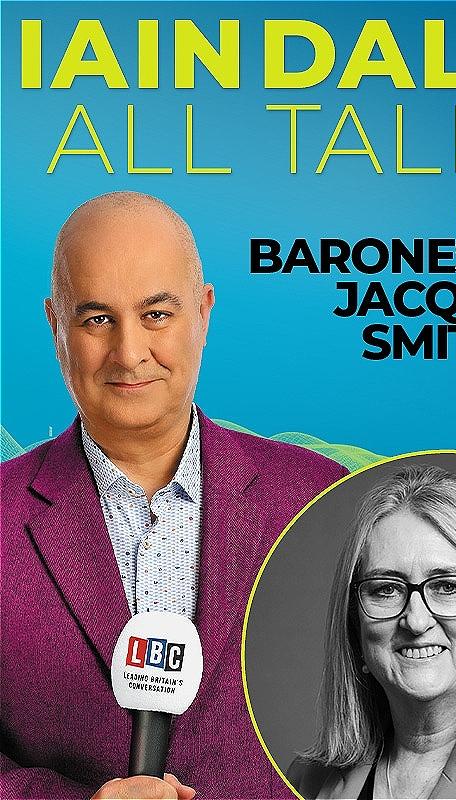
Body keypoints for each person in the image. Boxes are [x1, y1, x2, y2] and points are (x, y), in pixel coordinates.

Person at [0, 191, 348, 800]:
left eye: (156, 314)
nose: (130, 353)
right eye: (97, 319)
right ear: (55, 325)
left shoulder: (321, 502)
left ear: (203, 314)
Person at [288, 465, 456, 799]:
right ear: (355, 623)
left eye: (447, 586)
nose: (415, 622)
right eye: (386, 589)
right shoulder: (307, 781)